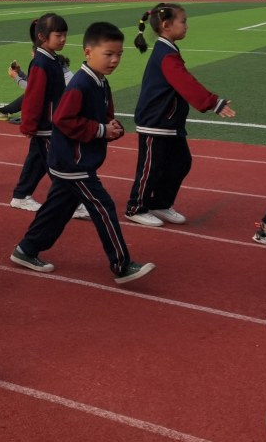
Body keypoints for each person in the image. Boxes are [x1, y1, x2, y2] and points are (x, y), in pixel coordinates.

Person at [9, 22, 156, 285]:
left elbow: (106, 116)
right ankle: (121, 265)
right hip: (72, 163)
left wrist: (112, 128)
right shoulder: (81, 83)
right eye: (108, 54)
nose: (114, 60)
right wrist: (101, 130)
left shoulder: (100, 83)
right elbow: (63, 120)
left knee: (57, 210)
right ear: (88, 52)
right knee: (103, 207)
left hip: (73, 161)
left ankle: (26, 249)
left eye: (119, 54)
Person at [124, 3, 235, 227]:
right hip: (155, 121)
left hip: (170, 122)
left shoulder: (169, 50)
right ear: (166, 26)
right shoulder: (165, 54)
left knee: (181, 162)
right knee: (150, 167)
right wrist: (213, 102)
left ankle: (160, 203)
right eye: (183, 21)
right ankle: (136, 207)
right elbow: (185, 82)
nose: (187, 26)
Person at [10, 14, 72, 213]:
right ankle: (73, 202)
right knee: (59, 164)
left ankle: (20, 195)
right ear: (43, 37)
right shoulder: (41, 63)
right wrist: (29, 124)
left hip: (52, 122)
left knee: (37, 160)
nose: (63, 39)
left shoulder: (52, 59)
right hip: (46, 124)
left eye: (65, 35)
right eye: (58, 35)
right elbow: (34, 96)